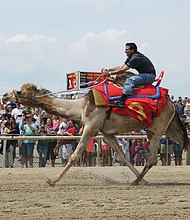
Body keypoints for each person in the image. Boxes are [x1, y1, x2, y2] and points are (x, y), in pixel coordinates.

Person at [102, 42, 156, 108]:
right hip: (145, 74)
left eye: (127, 50)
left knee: (130, 80)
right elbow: (121, 67)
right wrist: (108, 70)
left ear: (132, 50)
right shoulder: (131, 57)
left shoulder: (136, 58)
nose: (125, 51)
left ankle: (121, 101)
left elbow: (123, 70)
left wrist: (109, 73)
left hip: (149, 76)